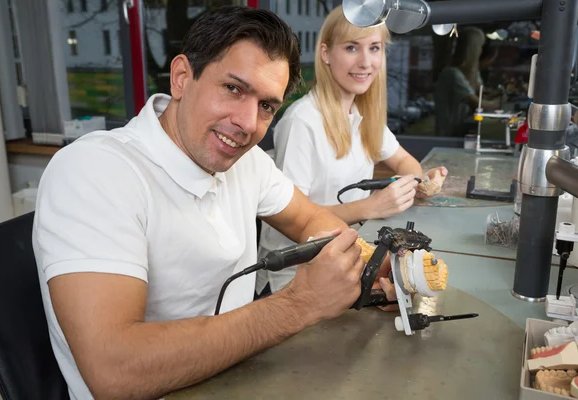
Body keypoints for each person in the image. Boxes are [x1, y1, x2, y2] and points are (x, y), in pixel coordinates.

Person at [32, 7, 394, 400]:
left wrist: (372, 263)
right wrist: (298, 305)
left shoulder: (247, 160)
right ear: (182, 77)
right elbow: (114, 370)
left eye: (266, 106)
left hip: (237, 377)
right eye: (234, 89)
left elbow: (311, 221)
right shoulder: (94, 170)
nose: (247, 123)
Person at [256, 6, 447, 296]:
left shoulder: (363, 113)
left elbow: (404, 162)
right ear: (325, 54)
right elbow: (290, 218)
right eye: (351, 48)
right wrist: (371, 206)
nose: (366, 61)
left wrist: (417, 183)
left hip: (347, 260)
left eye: (374, 48)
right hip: (295, 278)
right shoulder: (302, 121)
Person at [434, 26, 502, 137]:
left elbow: (481, 92)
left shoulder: (472, 72)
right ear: (473, 50)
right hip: (448, 136)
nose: (480, 51)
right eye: (479, 47)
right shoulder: (452, 74)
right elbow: (477, 103)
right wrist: (498, 103)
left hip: (460, 132)